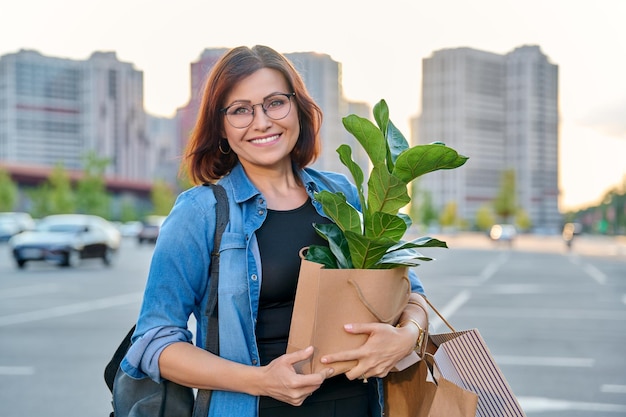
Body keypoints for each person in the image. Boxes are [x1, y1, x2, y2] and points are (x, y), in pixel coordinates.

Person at [120, 45, 429, 417]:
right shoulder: (200, 213)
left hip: (360, 406)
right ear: (221, 126)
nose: (262, 122)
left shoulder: (340, 194)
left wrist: (405, 337)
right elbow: (155, 343)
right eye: (240, 110)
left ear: (297, 107)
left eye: (274, 103)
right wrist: (260, 380)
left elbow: (411, 294)